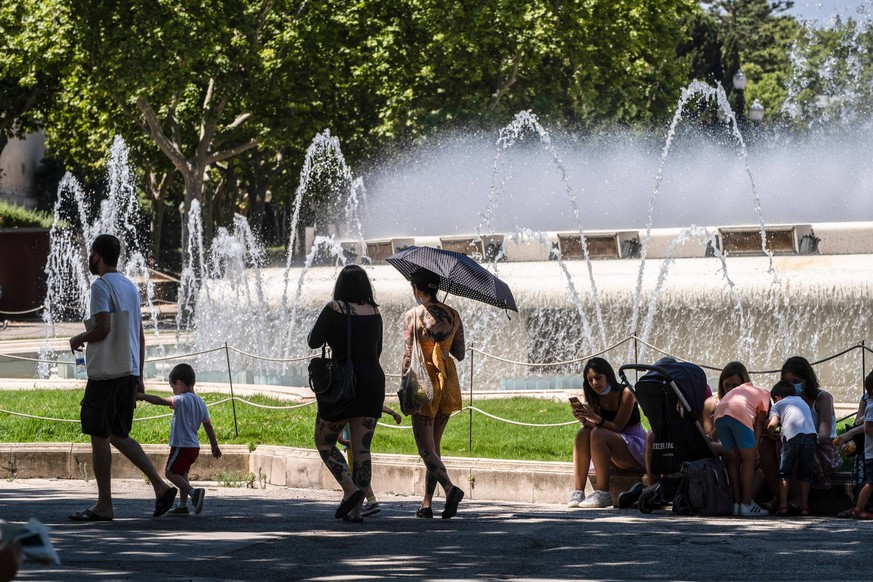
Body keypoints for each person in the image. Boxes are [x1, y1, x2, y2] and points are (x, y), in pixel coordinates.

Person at [68, 234, 177, 521]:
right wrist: (138, 374)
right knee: (118, 433)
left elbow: (103, 327)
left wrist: (78, 337)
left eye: (91, 254)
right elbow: (139, 335)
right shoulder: (129, 285)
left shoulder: (101, 285)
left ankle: (105, 504)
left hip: (107, 373)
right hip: (128, 371)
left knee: (98, 434)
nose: (89, 259)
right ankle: (161, 487)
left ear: (96, 255)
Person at [308, 264, 386, 522]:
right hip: (372, 381)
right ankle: (355, 511)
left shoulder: (334, 308)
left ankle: (350, 489)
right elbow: (377, 350)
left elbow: (313, 341)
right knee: (362, 449)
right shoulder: (375, 311)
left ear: (340, 285)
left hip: (342, 383)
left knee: (324, 442)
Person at [402, 268, 465, 519]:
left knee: (425, 449)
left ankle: (450, 490)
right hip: (447, 380)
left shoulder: (412, 316)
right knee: (434, 447)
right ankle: (426, 504)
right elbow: (459, 353)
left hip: (422, 382)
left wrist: (404, 388)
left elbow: (408, 357)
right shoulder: (454, 315)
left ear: (417, 290)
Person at [135, 363, 222, 515]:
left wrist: (140, 396)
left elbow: (160, 400)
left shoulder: (181, 399)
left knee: (170, 473)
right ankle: (182, 505)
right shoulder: (201, 402)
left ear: (179, 383)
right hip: (194, 447)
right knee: (182, 474)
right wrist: (214, 445)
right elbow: (208, 426)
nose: (173, 391)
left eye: (172, 386)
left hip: (181, 445)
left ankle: (194, 493)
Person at [760, 356, 841, 504]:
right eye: (788, 382)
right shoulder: (784, 400)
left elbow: (825, 434)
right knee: (765, 444)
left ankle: (795, 499)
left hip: (820, 447)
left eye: (796, 382)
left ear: (807, 380)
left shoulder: (822, 398)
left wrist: (803, 437)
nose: (792, 386)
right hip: (795, 444)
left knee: (790, 444)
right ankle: (779, 497)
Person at [568, 357, 646, 509]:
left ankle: (603, 493)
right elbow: (597, 427)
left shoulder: (626, 393)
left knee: (598, 433)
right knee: (583, 433)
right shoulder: (594, 396)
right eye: (590, 380)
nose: (595, 384)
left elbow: (617, 427)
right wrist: (584, 420)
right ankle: (578, 491)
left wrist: (595, 418)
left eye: (598, 378)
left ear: (608, 376)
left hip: (633, 446)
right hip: (610, 442)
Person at [713, 379, 770, 517]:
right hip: (739, 413)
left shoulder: (741, 391)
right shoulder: (766, 394)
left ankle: (736, 504)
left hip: (719, 415)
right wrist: (755, 447)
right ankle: (747, 504)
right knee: (748, 460)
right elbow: (760, 423)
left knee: (733, 460)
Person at [339, 404, 403, 516]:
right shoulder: (364, 403)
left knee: (358, 474)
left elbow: (340, 431)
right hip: (360, 446)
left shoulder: (347, 403)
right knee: (360, 474)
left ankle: (370, 502)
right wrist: (392, 412)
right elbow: (377, 405)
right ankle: (364, 503)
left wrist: (343, 440)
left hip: (352, 447)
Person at [767, 380, 818, 516]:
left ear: (777, 397)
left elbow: (772, 425)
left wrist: (771, 434)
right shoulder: (803, 402)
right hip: (811, 436)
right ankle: (805, 507)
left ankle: (783, 506)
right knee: (805, 474)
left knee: (784, 472)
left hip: (792, 437)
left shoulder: (778, 404)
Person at [836, 369, 873, 518]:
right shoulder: (869, 403)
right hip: (870, 451)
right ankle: (858, 508)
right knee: (871, 482)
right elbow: (866, 426)